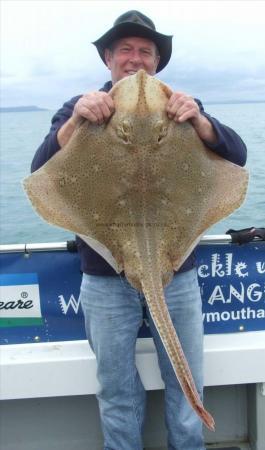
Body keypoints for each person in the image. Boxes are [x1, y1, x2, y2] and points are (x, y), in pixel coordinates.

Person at [31, 10, 247, 450]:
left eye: (145, 51)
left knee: (188, 385)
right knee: (115, 388)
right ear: (109, 58)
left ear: (157, 61)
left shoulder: (182, 107)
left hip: (177, 268)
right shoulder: (82, 107)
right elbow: (41, 172)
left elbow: (236, 157)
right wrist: (77, 122)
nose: (135, 59)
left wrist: (199, 121)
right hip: (105, 272)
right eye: (125, 50)